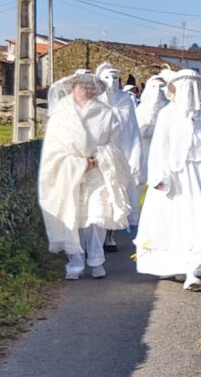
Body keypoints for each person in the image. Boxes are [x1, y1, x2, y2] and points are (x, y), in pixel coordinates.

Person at [38, 72, 132, 280]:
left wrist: (99, 158)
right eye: (84, 86)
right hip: (69, 173)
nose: (88, 90)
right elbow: (53, 149)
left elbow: (115, 143)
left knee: (97, 216)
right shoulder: (61, 115)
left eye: (92, 87)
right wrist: (78, 163)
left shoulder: (105, 113)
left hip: (99, 170)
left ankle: (97, 259)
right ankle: (76, 261)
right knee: (74, 217)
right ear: (74, 87)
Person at [133, 69, 201, 291]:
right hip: (174, 177)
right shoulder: (167, 114)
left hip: (200, 176)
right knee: (175, 221)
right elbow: (159, 147)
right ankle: (180, 264)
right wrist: (158, 176)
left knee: (199, 219)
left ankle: (195, 270)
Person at [96, 62, 142, 246]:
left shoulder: (126, 100)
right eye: (108, 77)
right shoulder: (95, 100)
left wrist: (135, 156)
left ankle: (111, 235)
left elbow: (132, 128)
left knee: (117, 194)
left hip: (122, 154)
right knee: (103, 196)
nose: (112, 81)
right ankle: (98, 237)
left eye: (115, 77)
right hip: (101, 154)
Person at [134, 73, 169, 184]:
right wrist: (159, 128)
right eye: (155, 87)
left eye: (161, 87)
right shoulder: (142, 109)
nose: (158, 91)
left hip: (166, 150)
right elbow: (140, 130)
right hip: (147, 150)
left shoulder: (170, 107)